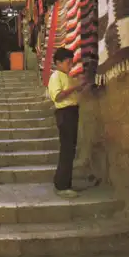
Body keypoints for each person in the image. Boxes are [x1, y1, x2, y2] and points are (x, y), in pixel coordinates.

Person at [48, 47, 89, 198]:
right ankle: (61, 185)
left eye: (71, 62)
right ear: (58, 63)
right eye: (67, 62)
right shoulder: (55, 77)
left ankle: (66, 182)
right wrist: (75, 87)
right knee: (66, 149)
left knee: (70, 149)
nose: (70, 65)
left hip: (72, 112)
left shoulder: (67, 76)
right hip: (64, 114)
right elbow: (58, 96)